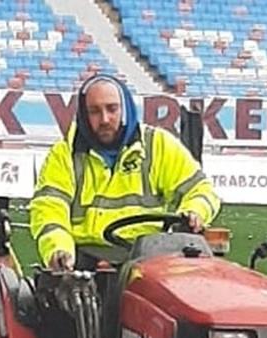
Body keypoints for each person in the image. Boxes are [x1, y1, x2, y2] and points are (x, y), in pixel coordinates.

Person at [29, 73, 221, 271]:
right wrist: (59, 250)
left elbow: (201, 190)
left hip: (151, 260)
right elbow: (49, 209)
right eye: (94, 111)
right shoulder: (64, 155)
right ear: (83, 115)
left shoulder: (158, 145)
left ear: (126, 108)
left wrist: (194, 211)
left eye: (112, 109)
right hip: (84, 265)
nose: (104, 119)